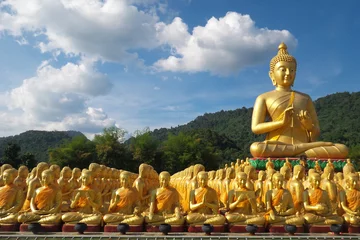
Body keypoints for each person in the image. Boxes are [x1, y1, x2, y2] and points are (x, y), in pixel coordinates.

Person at [250, 43, 348, 158]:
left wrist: (309, 126)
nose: (288, 73)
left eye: (292, 70)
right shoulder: (264, 98)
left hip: (303, 145)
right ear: (271, 74)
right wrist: (281, 123)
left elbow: (316, 132)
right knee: (256, 148)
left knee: (342, 149)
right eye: (283, 69)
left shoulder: (305, 98)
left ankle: (298, 154)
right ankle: (300, 155)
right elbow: (256, 128)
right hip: (278, 145)